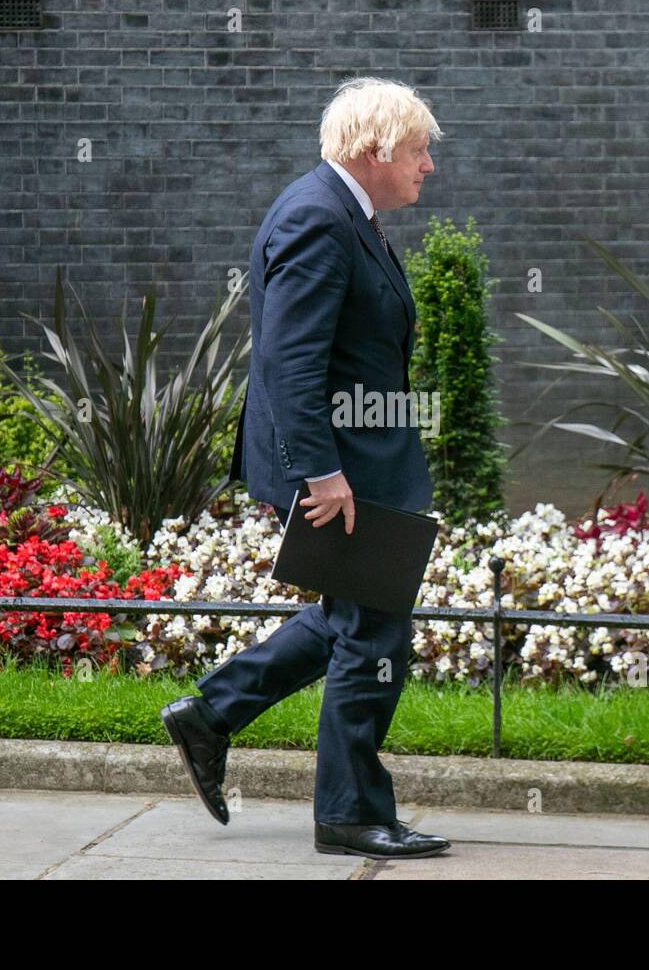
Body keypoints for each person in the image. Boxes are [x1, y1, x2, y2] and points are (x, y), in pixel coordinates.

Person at [160, 76, 450, 860]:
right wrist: (319, 473)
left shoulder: (343, 215)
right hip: (342, 473)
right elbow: (289, 362)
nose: (428, 165)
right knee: (374, 636)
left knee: (354, 619)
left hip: (362, 462)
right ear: (374, 149)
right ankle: (350, 813)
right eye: (419, 150)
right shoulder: (320, 219)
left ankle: (210, 714)